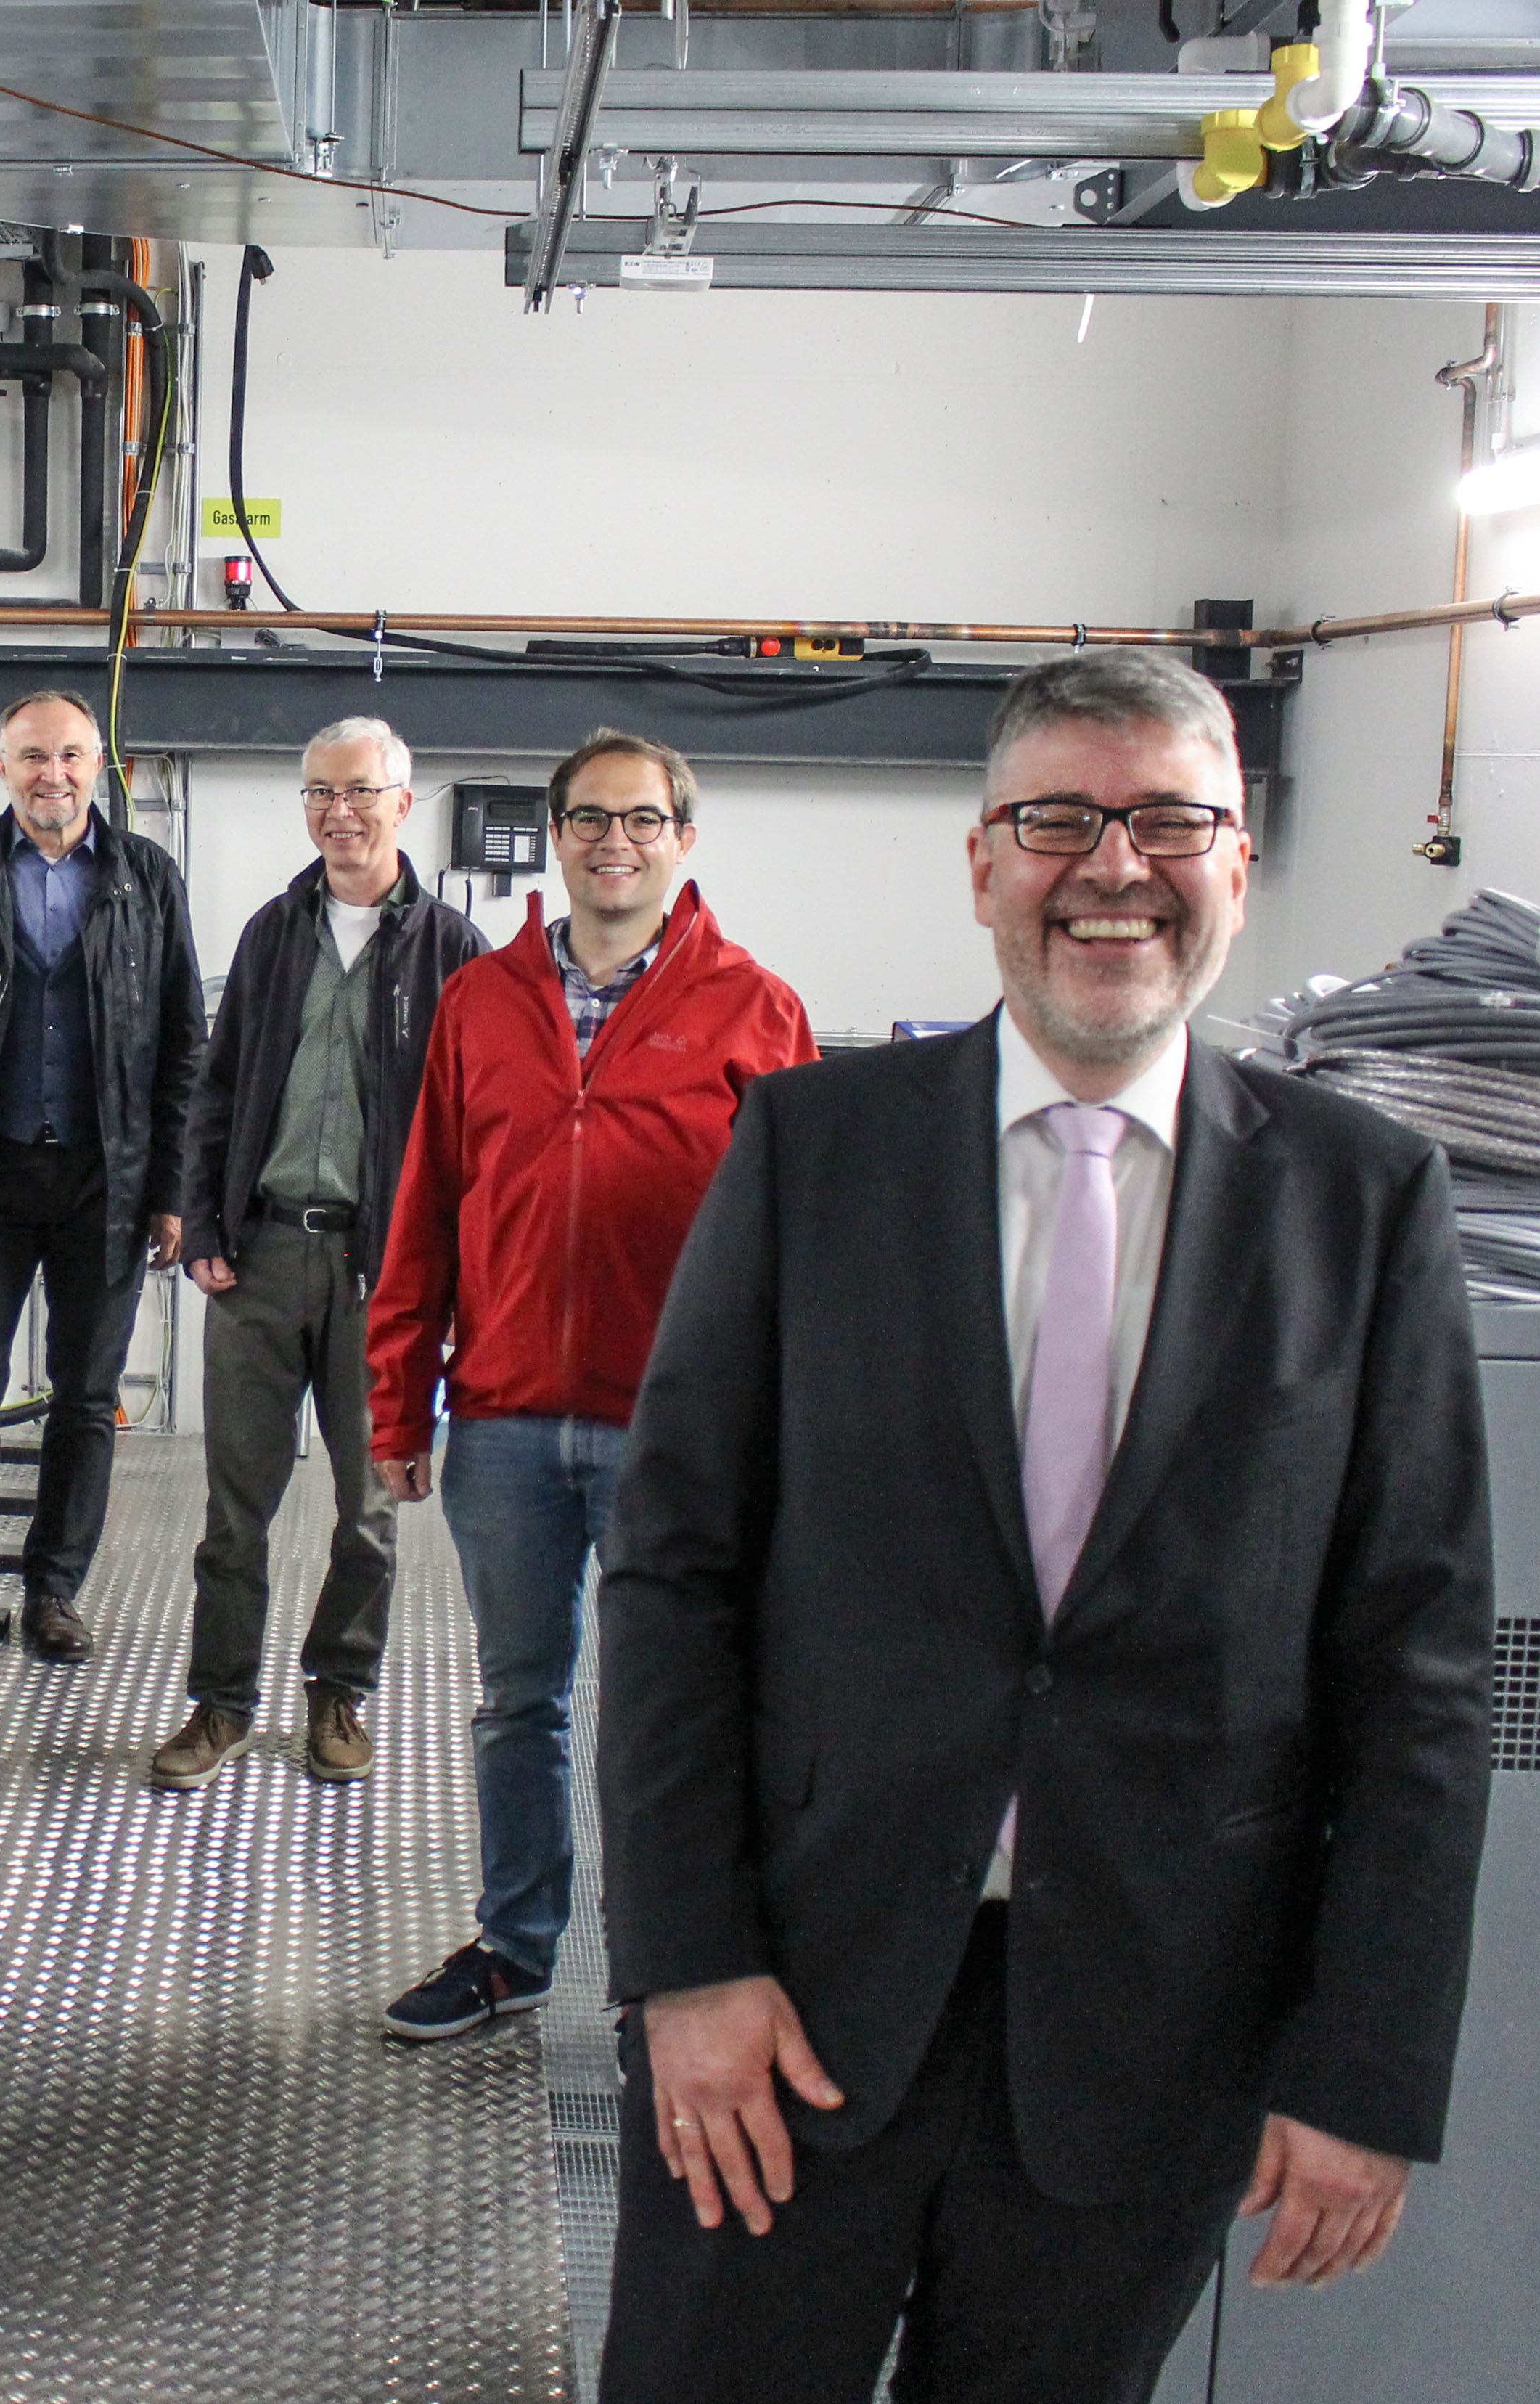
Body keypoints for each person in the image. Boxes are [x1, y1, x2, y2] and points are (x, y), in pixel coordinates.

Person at [596, 650, 1494, 2404]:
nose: (1115, 868)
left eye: (1173, 822)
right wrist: (688, 1966)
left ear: (1241, 864)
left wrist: (1365, 2067)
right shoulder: (811, 1151)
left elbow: (1421, 1676)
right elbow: (674, 1573)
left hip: (1155, 2039)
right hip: (790, 2008)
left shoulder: (1366, 1202)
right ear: (983, 862)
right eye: (1060, 820)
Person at [368, 730, 814, 2041]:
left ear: (683, 839)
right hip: (504, 1421)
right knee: (520, 1703)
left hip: (676, 1431)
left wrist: (787, 1429)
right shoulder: (480, 1001)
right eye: (589, 820)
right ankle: (515, 1948)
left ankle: (667, 1972)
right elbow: (426, 1209)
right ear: (556, 837)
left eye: (641, 820)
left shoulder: (755, 1008)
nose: (614, 842)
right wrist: (400, 1399)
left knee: (674, 1716)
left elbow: (802, 1244)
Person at [155, 718, 486, 1788]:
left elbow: (476, 1127)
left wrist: (448, 1277)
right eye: (319, 794)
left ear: (403, 804)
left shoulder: (454, 952)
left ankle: (339, 1692)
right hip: (260, 1258)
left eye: (358, 793)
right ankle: (220, 1704)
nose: (338, 813)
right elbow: (216, 1089)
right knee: (233, 1512)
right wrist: (205, 1225)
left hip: (382, 1273)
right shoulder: (273, 933)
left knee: (371, 1510)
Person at [0, 690, 203, 1679]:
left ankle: (54, 1593)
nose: (52, 775)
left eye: (69, 755)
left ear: (98, 764)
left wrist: (173, 1188)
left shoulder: (147, 876)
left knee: (85, 1399)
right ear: (2, 768)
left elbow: (184, 1045)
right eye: (32, 756)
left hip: (105, 1181)